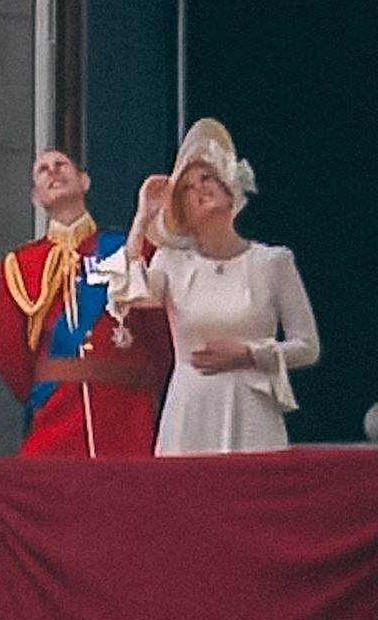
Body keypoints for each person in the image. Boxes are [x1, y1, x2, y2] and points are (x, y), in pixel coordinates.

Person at [99, 118, 319, 454]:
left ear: (230, 189)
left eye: (207, 178)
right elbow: (126, 294)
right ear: (182, 211)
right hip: (190, 416)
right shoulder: (172, 262)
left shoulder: (273, 262)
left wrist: (249, 354)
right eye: (188, 187)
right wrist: (141, 218)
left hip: (251, 412)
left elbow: (307, 346)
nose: (200, 188)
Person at [0, 149, 172, 457]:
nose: (53, 171)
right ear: (35, 197)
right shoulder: (19, 264)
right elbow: (9, 354)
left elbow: (160, 335)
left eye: (61, 165)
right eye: (42, 170)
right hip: (55, 415)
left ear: (84, 181)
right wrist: (46, 389)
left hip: (124, 412)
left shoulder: (128, 250)